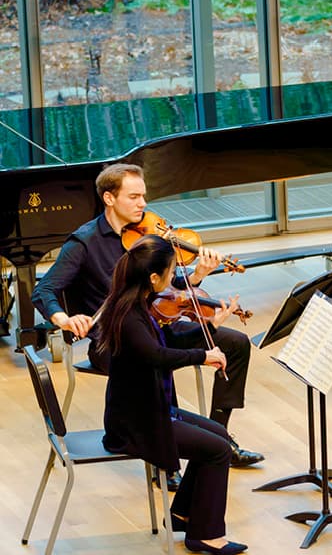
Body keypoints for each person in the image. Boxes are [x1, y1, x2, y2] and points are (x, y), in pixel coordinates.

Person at [31, 163, 262, 482]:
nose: (143, 204)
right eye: (134, 196)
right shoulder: (84, 243)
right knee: (154, 361)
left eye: (144, 196)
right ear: (109, 198)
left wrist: (196, 275)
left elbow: (165, 290)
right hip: (113, 341)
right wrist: (64, 319)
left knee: (234, 343)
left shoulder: (149, 234)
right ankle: (165, 462)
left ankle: (216, 436)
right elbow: (44, 289)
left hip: (155, 324)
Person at [98, 234, 247, 555]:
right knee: (219, 450)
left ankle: (183, 514)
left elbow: (167, 342)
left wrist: (212, 328)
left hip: (151, 410)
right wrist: (203, 356)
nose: (173, 280)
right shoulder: (129, 317)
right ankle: (206, 535)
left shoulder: (137, 305)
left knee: (219, 435)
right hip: (135, 425)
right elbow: (156, 356)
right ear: (153, 278)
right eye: (170, 272)